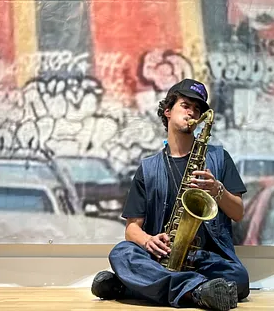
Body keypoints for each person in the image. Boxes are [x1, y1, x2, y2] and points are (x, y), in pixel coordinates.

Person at [91, 79, 250, 311]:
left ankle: (129, 287)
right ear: (167, 111)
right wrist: (148, 241)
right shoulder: (147, 168)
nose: (192, 112)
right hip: (160, 257)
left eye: (197, 109)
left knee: (239, 278)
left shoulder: (220, 157)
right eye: (186, 105)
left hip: (204, 259)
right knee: (122, 252)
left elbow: (238, 213)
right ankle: (197, 292)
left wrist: (217, 190)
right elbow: (131, 229)